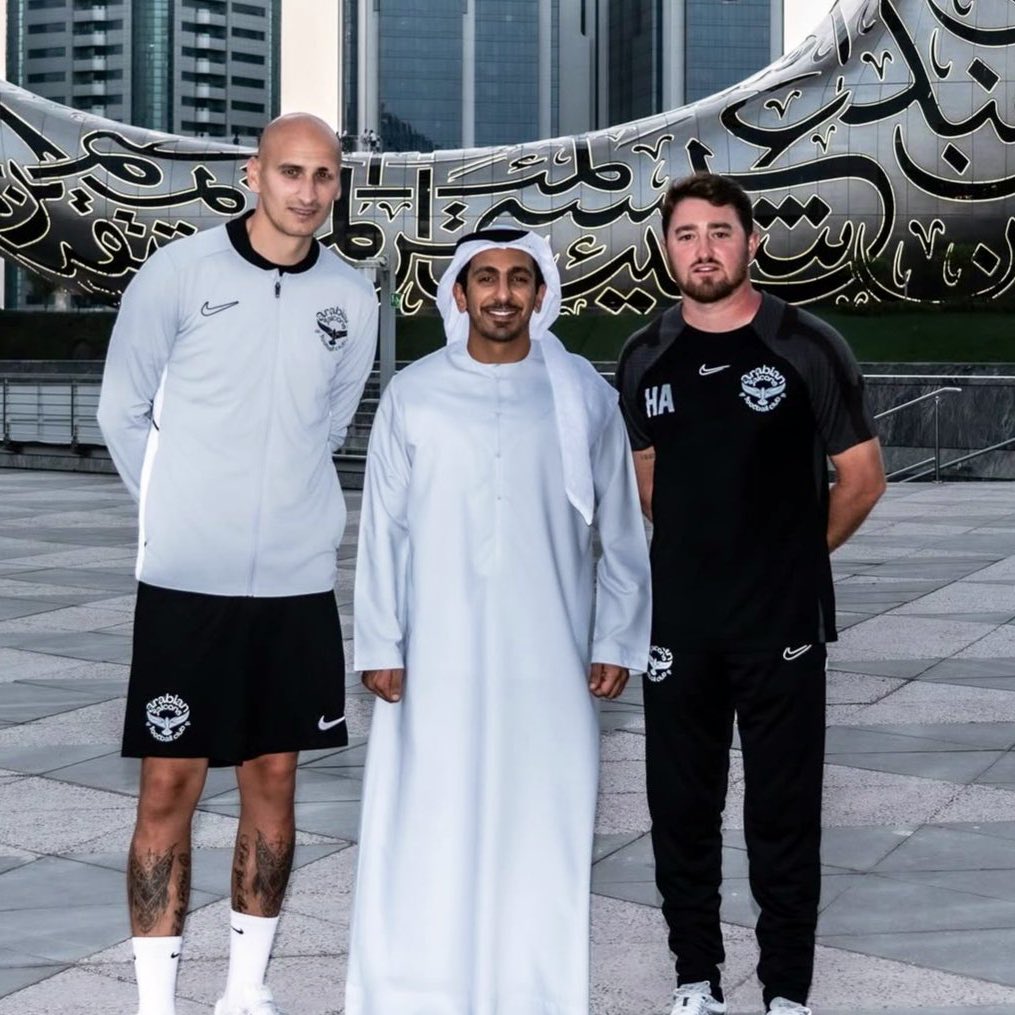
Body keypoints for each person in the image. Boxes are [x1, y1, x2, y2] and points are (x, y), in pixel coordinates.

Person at [97, 112, 378, 1015]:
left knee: (275, 779)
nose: (308, 191)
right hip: (187, 581)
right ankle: (155, 1002)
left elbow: (329, 424)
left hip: (294, 583)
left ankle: (246, 991)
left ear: (338, 186)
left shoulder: (353, 297)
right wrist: (179, 509)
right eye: (291, 171)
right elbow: (120, 409)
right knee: (168, 783)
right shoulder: (178, 273)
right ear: (253, 174)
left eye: (324, 175)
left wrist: (288, 510)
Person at [346, 227, 651, 1013]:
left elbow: (620, 527)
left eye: (519, 278)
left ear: (541, 294)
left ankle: (532, 990)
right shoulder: (414, 392)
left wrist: (616, 636)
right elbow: (383, 529)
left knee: (542, 823)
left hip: (550, 650)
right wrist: (379, 640)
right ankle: (415, 990)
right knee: (427, 816)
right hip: (433, 650)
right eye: (486, 278)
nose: (503, 294)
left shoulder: (582, 395)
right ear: (459, 292)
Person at [614, 172, 886, 1015]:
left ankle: (785, 991)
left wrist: (789, 557)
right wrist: (705, 552)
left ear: (750, 243)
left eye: (719, 232)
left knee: (782, 813)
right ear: (667, 249)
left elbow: (862, 477)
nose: (703, 249)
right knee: (680, 810)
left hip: (781, 625)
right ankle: (695, 979)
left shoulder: (806, 345)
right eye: (686, 234)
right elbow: (646, 482)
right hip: (680, 628)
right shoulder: (644, 355)